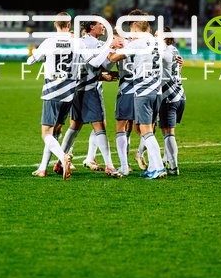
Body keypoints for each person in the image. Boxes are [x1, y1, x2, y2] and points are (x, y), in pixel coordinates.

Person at [53, 19, 123, 178]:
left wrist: (109, 52)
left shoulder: (85, 42)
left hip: (76, 89)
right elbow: (99, 62)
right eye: (101, 25)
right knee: (99, 127)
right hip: (89, 89)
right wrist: (110, 46)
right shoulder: (91, 44)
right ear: (92, 27)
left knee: (75, 126)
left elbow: (104, 65)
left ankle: (59, 162)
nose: (103, 27)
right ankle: (109, 166)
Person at [108, 12, 166, 179]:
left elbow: (113, 58)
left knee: (145, 130)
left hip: (143, 90)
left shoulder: (138, 43)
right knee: (146, 130)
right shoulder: (156, 42)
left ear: (134, 28)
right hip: (157, 90)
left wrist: (108, 48)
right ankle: (154, 166)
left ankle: (159, 168)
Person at [25, 13, 75, 179]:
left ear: (55, 24)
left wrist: (33, 53)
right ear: (69, 24)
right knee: (56, 131)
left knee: (46, 133)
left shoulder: (49, 42)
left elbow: (31, 61)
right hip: (69, 93)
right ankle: (42, 168)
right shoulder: (76, 42)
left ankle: (63, 157)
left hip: (52, 91)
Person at [158, 26, 185, 176]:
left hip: (169, 97)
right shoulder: (174, 50)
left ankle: (173, 167)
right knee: (168, 132)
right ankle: (167, 159)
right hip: (180, 95)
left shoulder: (164, 53)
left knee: (168, 133)